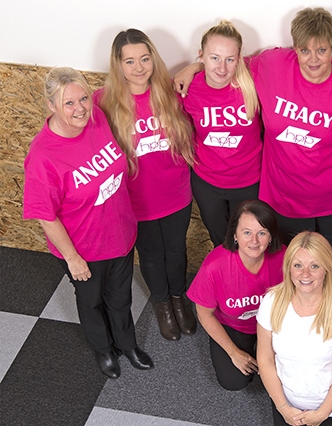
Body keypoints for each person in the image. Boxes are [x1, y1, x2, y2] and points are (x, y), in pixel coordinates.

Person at [175, 8, 332, 276]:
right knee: (289, 261)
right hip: (283, 194)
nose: (313, 59)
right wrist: (196, 65)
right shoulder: (272, 64)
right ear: (294, 48)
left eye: (322, 50)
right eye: (304, 50)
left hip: (331, 195)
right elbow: (227, 62)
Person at [23, 67, 153, 379]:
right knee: (92, 302)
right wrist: (72, 258)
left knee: (121, 299)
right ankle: (104, 349)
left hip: (119, 236)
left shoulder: (97, 119)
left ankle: (127, 343)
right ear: (52, 105)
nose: (80, 107)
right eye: (69, 103)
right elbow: (45, 214)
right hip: (84, 249)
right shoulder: (43, 156)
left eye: (83, 98)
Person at [95, 29, 197, 342]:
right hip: (137, 200)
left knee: (176, 251)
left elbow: (212, 63)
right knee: (152, 256)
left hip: (177, 193)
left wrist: (193, 66)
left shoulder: (170, 89)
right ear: (118, 65)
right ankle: (163, 303)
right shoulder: (104, 102)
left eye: (144, 58)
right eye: (129, 61)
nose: (139, 67)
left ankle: (179, 298)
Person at [256, 232, 332, 426]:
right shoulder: (271, 302)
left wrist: (322, 413)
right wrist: (283, 407)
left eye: (314, 266)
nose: (305, 274)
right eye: (298, 265)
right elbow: (265, 360)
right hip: (287, 405)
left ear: (327, 269)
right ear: (288, 267)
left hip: (331, 409)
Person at [187, 200, 285, 391]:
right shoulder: (214, 267)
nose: (254, 241)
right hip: (235, 326)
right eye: (247, 232)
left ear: (271, 236)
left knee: (289, 375)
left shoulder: (285, 257)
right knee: (234, 381)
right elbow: (205, 314)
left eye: (262, 233)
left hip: (274, 324)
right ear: (235, 235)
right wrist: (233, 352)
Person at [181, 21, 263, 246]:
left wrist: (194, 66)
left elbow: (277, 59)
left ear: (239, 59)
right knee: (222, 242)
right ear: (201, 56)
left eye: (230, 59)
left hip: (248, 182)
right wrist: (192, 69)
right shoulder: (189, 89)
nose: (222, 68)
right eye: (215, 57)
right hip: (207, 184)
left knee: (250, 243)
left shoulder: (252, 80)